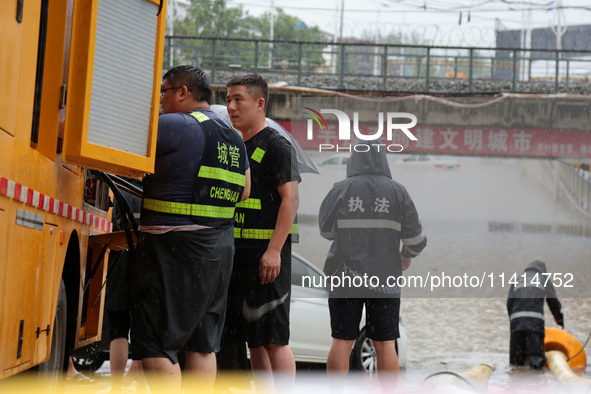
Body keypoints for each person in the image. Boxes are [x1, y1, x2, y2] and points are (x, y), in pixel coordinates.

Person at [130, 65, 251, 393]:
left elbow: (110, 137)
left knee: (155, 340)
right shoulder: (234, 138)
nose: (161, 102)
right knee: (203, 343)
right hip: (220, 249)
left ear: (182, 92)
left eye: (164, 92)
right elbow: (245, 191)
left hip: (175, 249)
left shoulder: (176, 126)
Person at [318, 145, 427, 383]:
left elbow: (325, 231)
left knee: (343, 340)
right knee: (384, 342)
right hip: (385, 277)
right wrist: (407, 253)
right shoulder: (398, 192)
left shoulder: (341, 189)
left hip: (344, 274)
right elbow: (417, 239)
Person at [221, 74, 300, 383]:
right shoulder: (236, 145)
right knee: (254, 341)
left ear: (260, 103)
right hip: (238, 256)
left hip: (267, 258)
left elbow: (290, 200)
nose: (231, 107)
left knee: (273, 339)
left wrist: (274, 251)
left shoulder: (277, 144)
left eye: (238, 99)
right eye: (228, 100)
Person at [507, 260, 564, 369]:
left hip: (517, 325)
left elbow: (509, 304)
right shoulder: (543, 279)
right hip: (534, 326)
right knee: (536, 362)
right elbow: (553, 302)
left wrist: (515, 322)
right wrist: (560, 320)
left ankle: (515, 383)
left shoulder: (517, 279)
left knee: (516, 363)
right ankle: (535, 383)